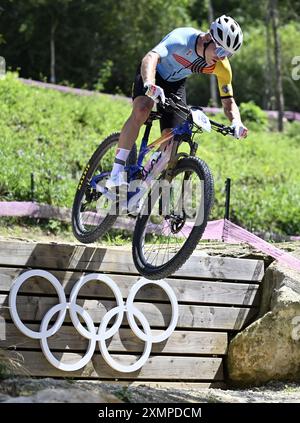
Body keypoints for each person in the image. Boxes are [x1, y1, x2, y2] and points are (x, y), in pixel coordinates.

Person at [106, 15, 248, 189]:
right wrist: (150, 83)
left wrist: (237, 122)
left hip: (175, 84)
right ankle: (116, 172)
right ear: (208, 38)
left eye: (228, 54)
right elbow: (150, 57)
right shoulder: (182, 38)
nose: (222, 57)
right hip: (153, 72)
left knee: (172, 138)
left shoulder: (222, 67)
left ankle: (141, 182)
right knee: (143, 109)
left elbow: (229, 101)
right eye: (220, 51)